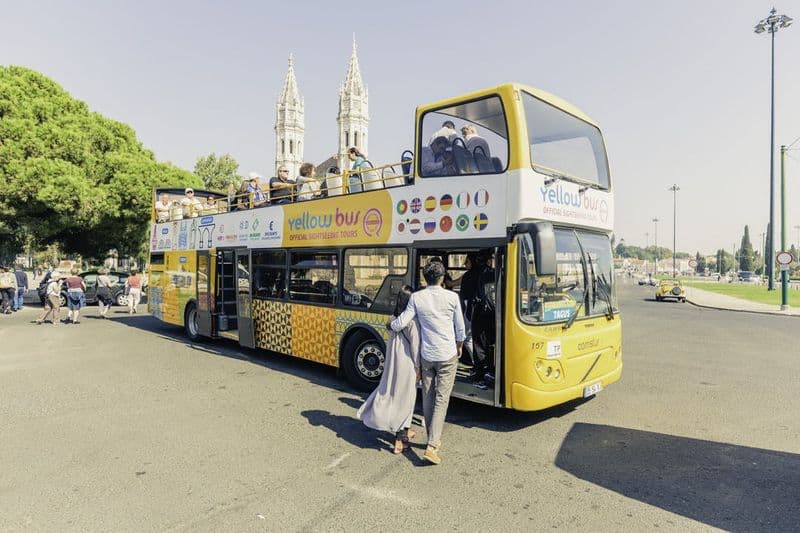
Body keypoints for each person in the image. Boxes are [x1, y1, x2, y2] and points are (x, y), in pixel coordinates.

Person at [390, 261, 465, 465]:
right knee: (442, 398)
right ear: (442, 278)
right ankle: (432, 445)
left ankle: (433, 438)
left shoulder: (417, 297)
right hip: (447, 354)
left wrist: (391, 324)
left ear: (425, 278)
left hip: (427, 355)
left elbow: (402, 321)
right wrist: (459, 345)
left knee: (428, 396)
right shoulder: (452, 297)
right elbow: (460, 327)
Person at [357, 286, 421, 454]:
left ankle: (405, 431)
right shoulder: (412, 322)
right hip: (407, 365)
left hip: (394, 364)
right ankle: (400, 439)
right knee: (405, 400)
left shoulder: (393, 319)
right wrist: (419, 367)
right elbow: (415, 347)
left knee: (393, 395)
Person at [471, 252, 496, 389]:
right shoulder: (499, 273)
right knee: (489, 345)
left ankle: (480, 375)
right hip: (494, 316)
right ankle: (488, 373)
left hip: (481, 315)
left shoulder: (478, 274)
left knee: (480, 346)